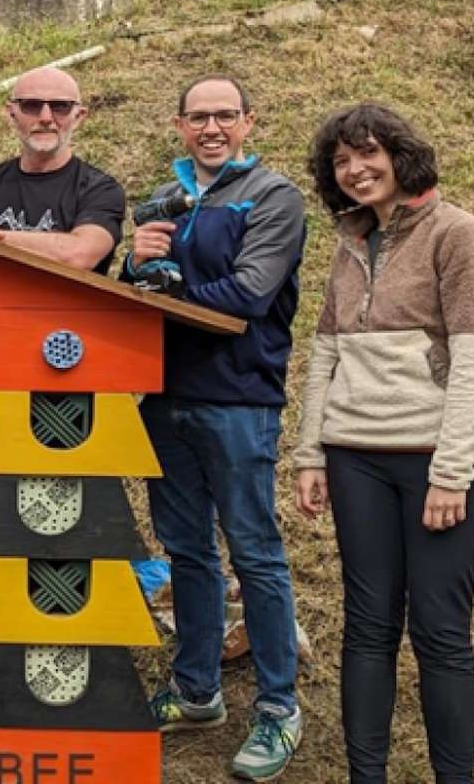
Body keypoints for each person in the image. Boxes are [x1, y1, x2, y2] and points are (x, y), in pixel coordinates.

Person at [293, 103, 474, 784]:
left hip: (436, 465)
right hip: (357, 460)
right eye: (342, 161)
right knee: (367, 627)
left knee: (440, 634)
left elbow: (473, 361)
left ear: (401, 153)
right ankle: (366, 775)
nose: (355, 170)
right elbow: (324, 353)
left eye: (368, 154)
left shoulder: (458, 234)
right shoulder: (352, 240)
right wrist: (311, 453)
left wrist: (452, 470)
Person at [123, 75, 306, 781]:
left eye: (224, 115)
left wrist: (165, 289)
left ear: (248, 122)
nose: (211, 127)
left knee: (254, 550)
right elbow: (130, 286)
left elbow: (250, 293)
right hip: (164, 395)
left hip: (237, 398)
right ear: (178, 124)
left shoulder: (271, 196)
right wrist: (135, 260)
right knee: (186, 549)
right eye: (198, 116)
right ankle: (198, 688)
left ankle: (278, 709)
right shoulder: (165, 196)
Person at [0, 66, 124, 274]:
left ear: (78, 116)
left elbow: (78, 255)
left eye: (60, 106)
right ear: (11, 114)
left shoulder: (100, 190)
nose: (45, 117)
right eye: (31, 106)